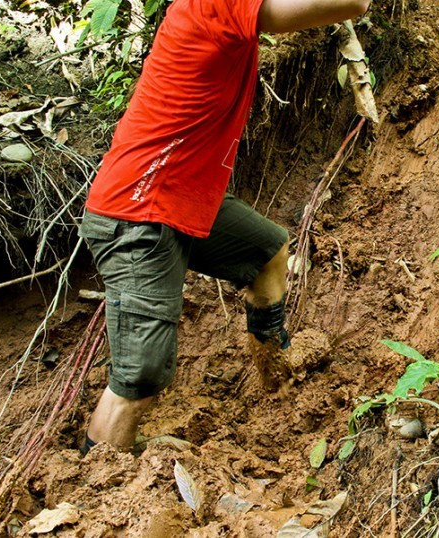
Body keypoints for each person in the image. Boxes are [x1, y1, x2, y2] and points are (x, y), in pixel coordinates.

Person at [77, 0, 372, 454]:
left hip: (182, 196)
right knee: (141, 377)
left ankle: (274, 372)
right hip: (139, 210)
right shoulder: (212, 2)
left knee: (268, 252)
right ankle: (97, 481)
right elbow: (352, 3)